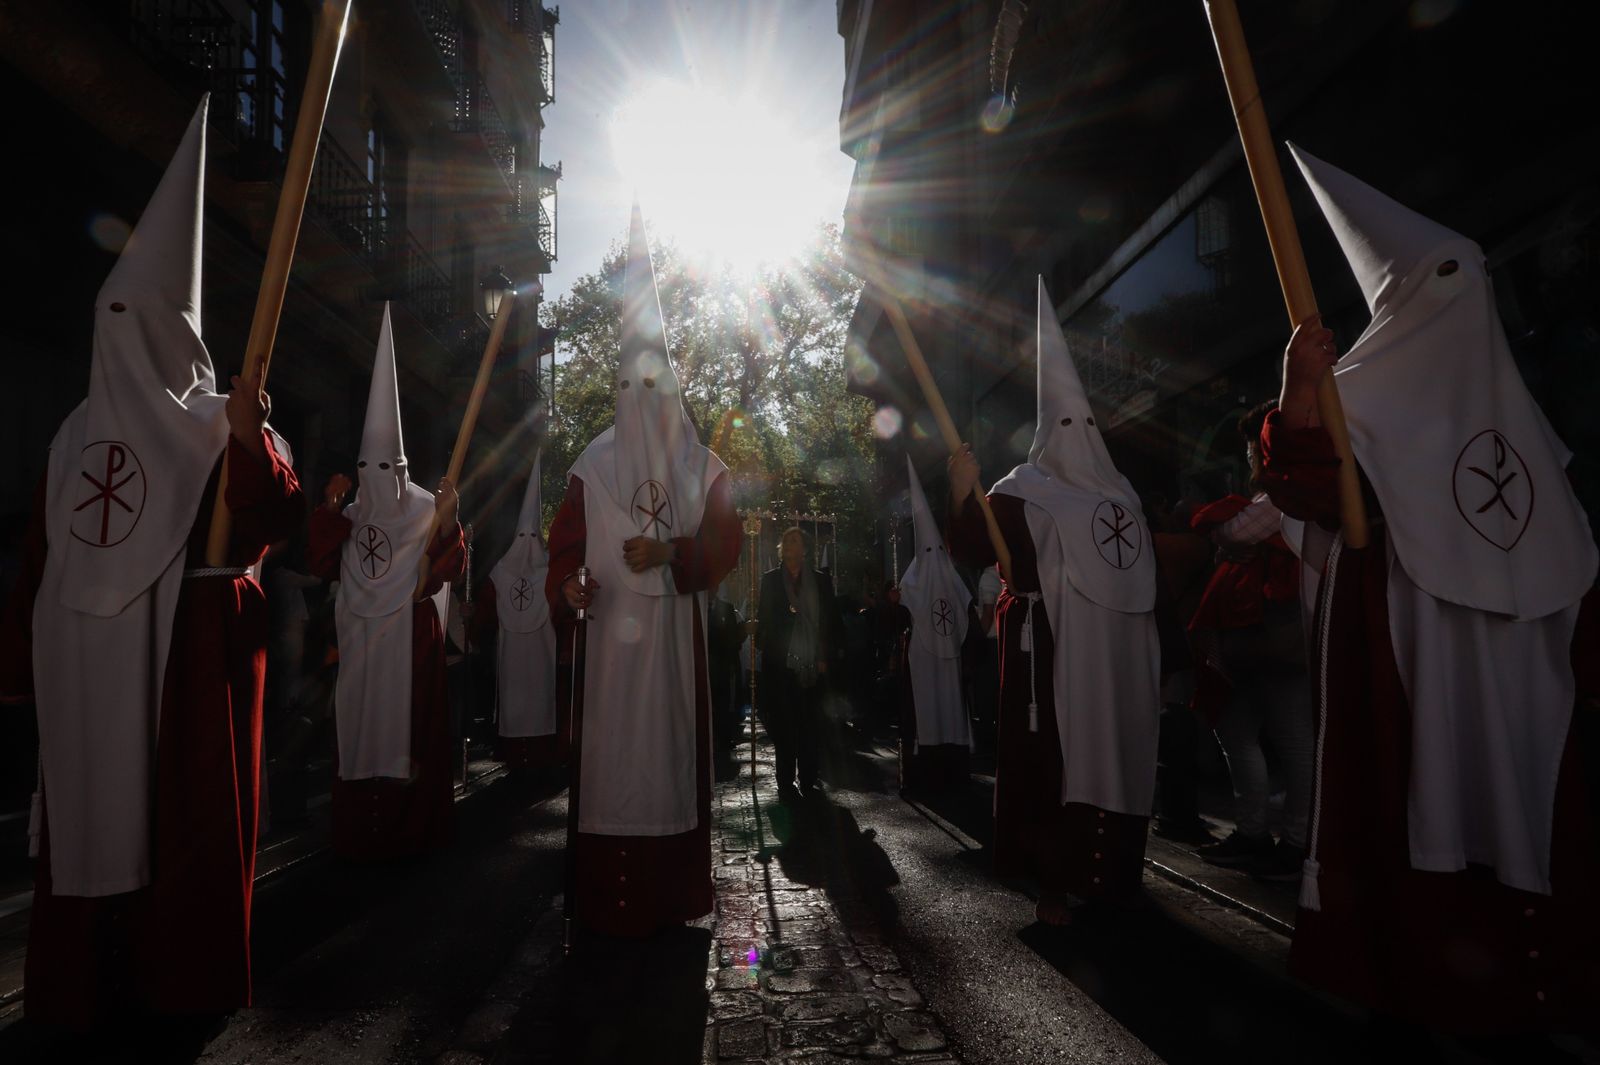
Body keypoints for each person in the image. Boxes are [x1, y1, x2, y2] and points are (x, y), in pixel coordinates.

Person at [1258, 147, 1600, 1030]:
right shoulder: (1355, 393)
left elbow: (1564, 533)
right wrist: (1300, 394)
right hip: (1412, 636)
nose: (1462, 291)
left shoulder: (1512, 404)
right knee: (1426, 794)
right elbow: (1303, 487)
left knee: (1517, 801)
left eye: (1469, 274)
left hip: (1519, 650)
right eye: (1440, 276)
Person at [0, 97, 304, 1024]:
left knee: (177, 826)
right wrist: (21, 659)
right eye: (113, 312)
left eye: (143, 315)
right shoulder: (70, 436)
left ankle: (173, 985)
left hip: (183, 662)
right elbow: (43, 552)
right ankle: (84, 980)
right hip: (88, 661)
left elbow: (272, 519)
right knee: (98, 819)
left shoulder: (221, 416)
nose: (125, 332)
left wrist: (249, 440)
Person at [545, 204, 742, 937]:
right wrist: (567, 587)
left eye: (654, 387)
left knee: (664, 767)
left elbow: (726, 546)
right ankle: (607, 901)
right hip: (609, 659)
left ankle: (667, 899)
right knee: (611, 770)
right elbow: (563, 550)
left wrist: (673, 554)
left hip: (671, 654)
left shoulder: (703, 467)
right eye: (632, 387)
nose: (642, 403)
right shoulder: (589, 469)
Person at [948, 277, 1160, 926]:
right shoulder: (1020, 491)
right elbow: (985, 550)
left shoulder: (1121, 496)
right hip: (1051, 659)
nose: (1076, 433)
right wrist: (963, 494)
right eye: (1064, 422)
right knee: (1054, 769)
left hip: (1118, 665)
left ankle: (1116, 877)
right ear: (1045, 429)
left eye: (1084, 422)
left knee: (1120, 761)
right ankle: (1054, 886)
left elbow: (1152, 584)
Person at [309, 305, 464, 860]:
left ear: (401, 467)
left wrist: (447, 522)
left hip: (411, 644)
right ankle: (362, 835)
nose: (380, 480)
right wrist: (329, 507)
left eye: (389, 469)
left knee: (410, 734)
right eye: (369, 468)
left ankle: (411, 834)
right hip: (360, 642)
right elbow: (322, 560)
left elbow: (450, 567)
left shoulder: (423, 507)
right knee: (359, 734)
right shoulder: (351, 515)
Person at [1189, 402, 1312, 880]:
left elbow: (1232, 529)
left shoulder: (1285, 494)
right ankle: (1260, 834)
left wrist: (1225, 540)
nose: (1248, 457)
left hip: (1278, 635)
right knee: (1245, 733)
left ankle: (1294, 842)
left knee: (1291, 740)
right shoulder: (1281, 496)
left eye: (1251, 447)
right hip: (1258, 638)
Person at [472, 450, 559, 771]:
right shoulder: (501, 573)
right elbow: (485, 611)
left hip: (542, 656)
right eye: (522, 535)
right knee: (516, 703)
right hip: (512, 657)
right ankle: (514, 755)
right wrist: (472, 618)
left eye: (532, 536)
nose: (527, 542)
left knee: (538, 703)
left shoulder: (551, 572)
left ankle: (539, 756)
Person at [897, 457, 974, 793]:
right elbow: (904, 611)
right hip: (923, 661)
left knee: (949, 708)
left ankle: (953, 772)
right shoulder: (912, 578)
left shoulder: (947, 573)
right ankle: (925, 773)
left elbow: (962, 608)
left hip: (950, 659)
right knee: (930, 712)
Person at [757, 527, 840, 802]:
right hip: (781, 663)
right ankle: (784, 780)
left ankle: (808, 776)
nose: (791, 545)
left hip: (813, 662)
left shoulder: (820, 581)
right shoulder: (770, 580)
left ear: (805, 548)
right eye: (787, 540)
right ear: (782, 548)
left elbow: (830, 621)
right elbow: (764, 619)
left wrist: (824, 656)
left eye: (797, 541)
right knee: (784, 723)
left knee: (809, 723)